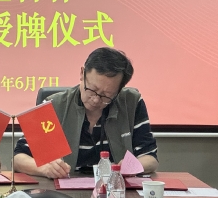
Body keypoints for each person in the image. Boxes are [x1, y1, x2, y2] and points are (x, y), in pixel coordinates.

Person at [13, 47, 158, 179]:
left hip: (116, 190)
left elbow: (150, 158)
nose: (96, 99)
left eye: (107, 95)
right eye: (92, 90)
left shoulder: (131, 103)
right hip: (64, 190)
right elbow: (18, 158)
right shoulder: (53, 105)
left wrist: (129, 167)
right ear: (82, 73)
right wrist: (44, 168)